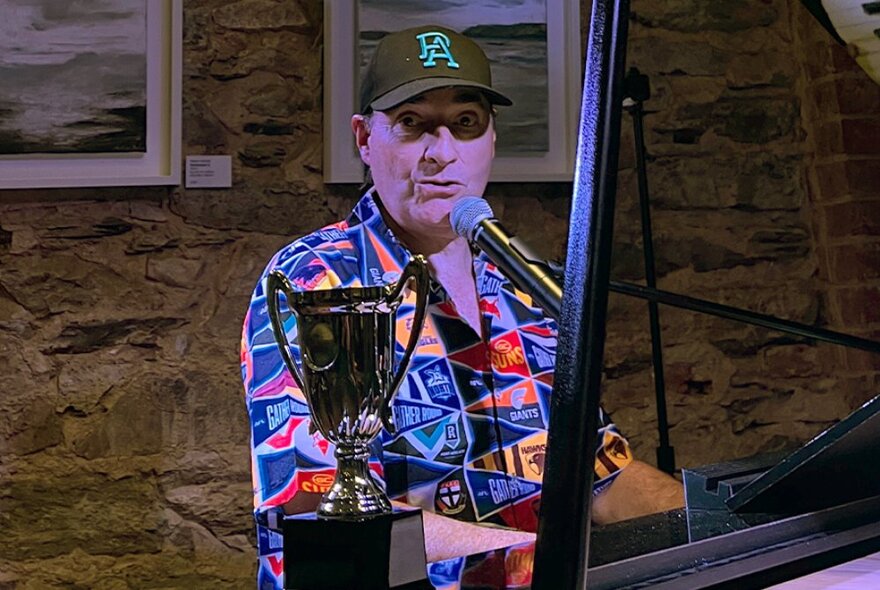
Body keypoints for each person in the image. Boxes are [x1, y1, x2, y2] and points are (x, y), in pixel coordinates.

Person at [241, 24, 684, 589]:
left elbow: (598, 474)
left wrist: (717, 526)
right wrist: (547, 558)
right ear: (364, 138)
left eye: (466, 124)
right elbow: (315, 504)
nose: (442, 153)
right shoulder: (314, 281)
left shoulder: (526, 283)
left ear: (492, 139)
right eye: (412, 123)